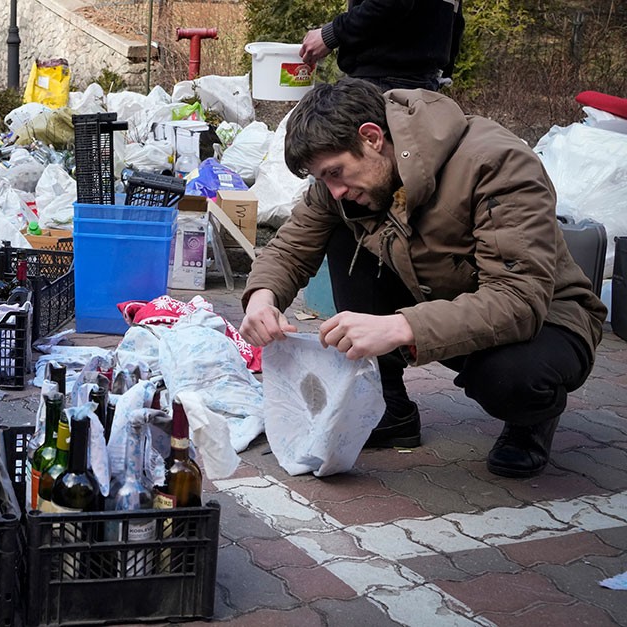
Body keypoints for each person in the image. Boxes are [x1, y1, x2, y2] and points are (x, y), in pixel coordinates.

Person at [239, 79, 606, 479]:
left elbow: (517, 300)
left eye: (335, 173)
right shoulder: (346, 181)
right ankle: (390, 409)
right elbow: (291, 247)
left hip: (546, 318)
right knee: (342, 228)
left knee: (510, 378)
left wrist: (401, 326)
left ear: (372, 136)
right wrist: (263, 297)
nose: (335, 189)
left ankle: (530, 421)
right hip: (442, 299)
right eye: (323, 179)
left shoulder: (496, 163)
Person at [299, 0, 465, 91]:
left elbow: (390, 4)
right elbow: (455, 21)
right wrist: (442, 75)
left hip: (380, 83)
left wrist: (331, 34)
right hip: (425, 84)